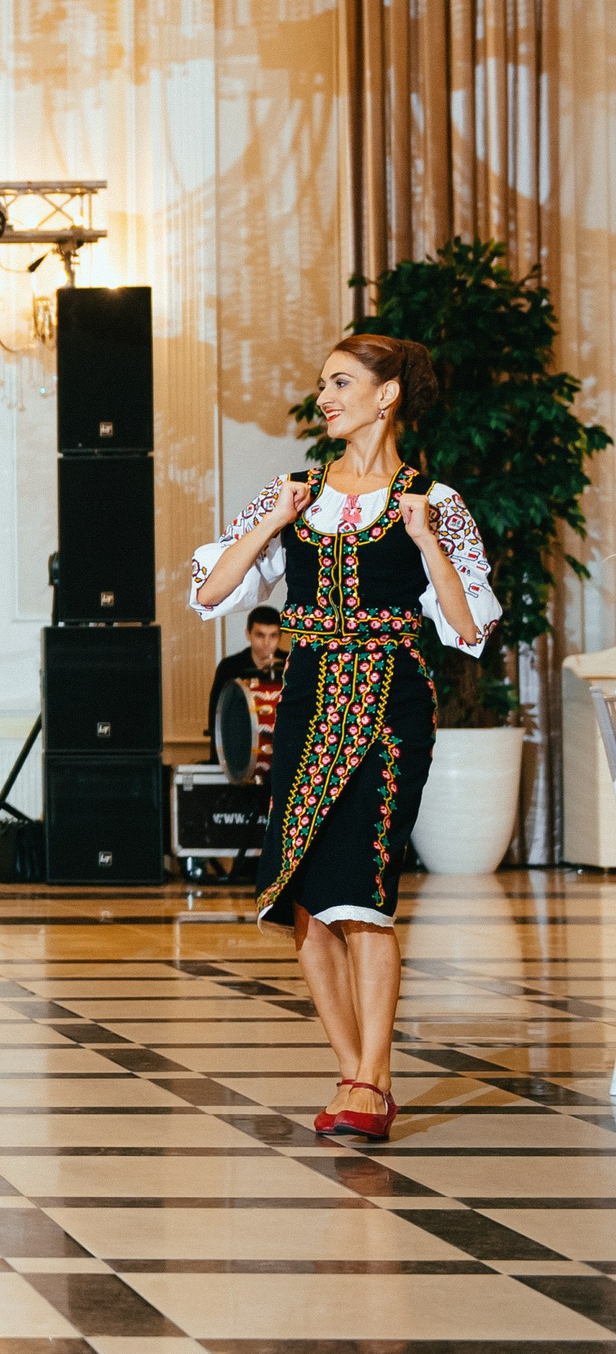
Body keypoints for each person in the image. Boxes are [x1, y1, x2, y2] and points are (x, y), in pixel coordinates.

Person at [190, 335, 496, 1142]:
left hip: (393, 698)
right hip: (308, 695)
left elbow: (467, 631)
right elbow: (212, 592)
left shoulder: (437, 500)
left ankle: (375, 1077)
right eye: (324, 383)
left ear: (387, 394)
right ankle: (349, 1069)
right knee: (304, 902)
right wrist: (270, 528)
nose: (324, 397)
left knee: (363, 891)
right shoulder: (291, 492)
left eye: (340, 382)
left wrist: (427, 541)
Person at [206, 604, 285, 733]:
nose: (266, 643)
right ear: (248, 634)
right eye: (260, 635)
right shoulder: (229, 667)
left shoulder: (290, 665)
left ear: (280, 637)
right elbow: (216, 717)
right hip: (241, 741)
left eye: (273, 636)